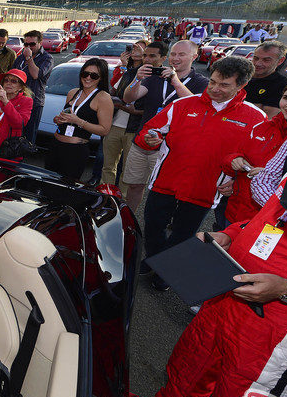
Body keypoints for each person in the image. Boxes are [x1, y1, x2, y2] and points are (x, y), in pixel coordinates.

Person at [131, 154, 287, 397]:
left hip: (284, 318)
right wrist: (231, 234)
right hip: (230, 288)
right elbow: (273, 215)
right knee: (196, 357)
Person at [133, 56, 265, 291]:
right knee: (153, 225)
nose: (215, 88)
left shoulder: (255, 118)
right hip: (165, 181)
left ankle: (166, 269)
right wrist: (151, 139)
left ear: (241, 86)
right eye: (213, 81)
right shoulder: (183, 104)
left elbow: (256, 161)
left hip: (204, 189)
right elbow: (148, 132)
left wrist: (236, 179)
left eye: (224, 85)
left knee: (183, 234)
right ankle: (156, 258)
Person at [121, 40, 207, 214]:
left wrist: (175, 81)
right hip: (143, 143)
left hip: (171, 149)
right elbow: (129, 98)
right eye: (174, 54)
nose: (176, 58)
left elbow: (198, 108)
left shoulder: (200, 82)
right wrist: (137, 80)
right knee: (134, 185)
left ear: (194, 57)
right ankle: (128, 220)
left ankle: (161, 223)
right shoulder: (155, 77)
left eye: (181, 54)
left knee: (162, 193)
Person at [219, 77, 287, 225]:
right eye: (286, 97)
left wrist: (270, 177)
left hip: (274, 223)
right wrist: (235, 160)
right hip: (235, 212)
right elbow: (231, 156)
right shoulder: (263, 127)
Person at [47, 58, 114, 179]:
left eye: (93, 75)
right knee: (46, 183)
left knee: (65, 190)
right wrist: (58, 119)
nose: (88, 78)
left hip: (75, 151)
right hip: (55, 145)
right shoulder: (73, 93)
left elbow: (104, 130)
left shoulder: (103, 98)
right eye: (85, 73)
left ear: (101, 78)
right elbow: (65, 116)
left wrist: (78, 121)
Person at [102, 44, 145, 186]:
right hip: (115, 125)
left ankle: (122, 200)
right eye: (133, 50)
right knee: (108, 166)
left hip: (134, 129)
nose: (135, 52)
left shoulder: (152, 77)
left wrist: (126, 107)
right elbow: (112, 92)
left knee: (127, 170)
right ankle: (106, 194)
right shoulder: (127, 73)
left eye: (141, 51)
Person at [10, 30, 53, 144]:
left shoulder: (46, 58)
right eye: (26, 44)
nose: (29, 47)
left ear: (40, 43)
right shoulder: (20, 58)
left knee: (28, 136)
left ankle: (23, 157)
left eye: (32, 44)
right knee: (14, 132)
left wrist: (29, 58)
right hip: (17, 100)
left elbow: (35, 75)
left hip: (34, 102)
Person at [243, 42, 287, 118]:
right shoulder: (241, 75)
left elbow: (264, 117)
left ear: (280, 61)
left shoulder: (281, 85)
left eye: (266, 60)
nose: (258, 63)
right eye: (256, 58)